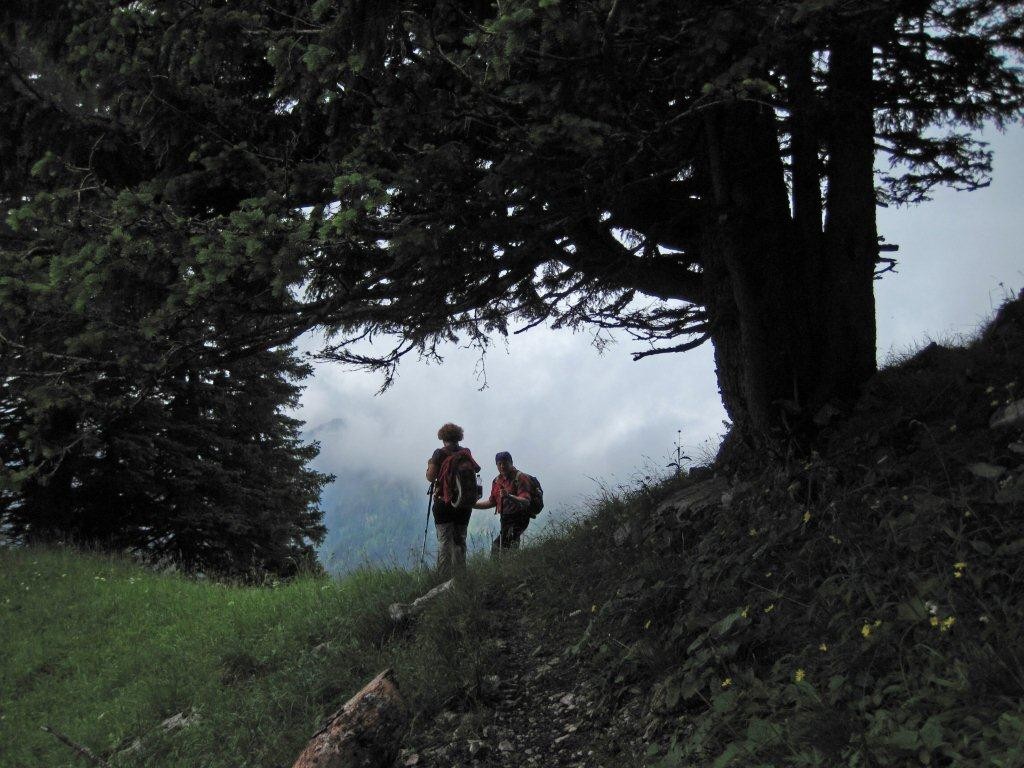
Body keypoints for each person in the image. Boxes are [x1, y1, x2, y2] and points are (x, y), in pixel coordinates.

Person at [425, 423, 480, 578]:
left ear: (443, 438)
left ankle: (443, 579)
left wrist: (430, 464)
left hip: (444, 503)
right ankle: (461, 577)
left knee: (444, 542)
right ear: (458, 437)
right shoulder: (465, 452)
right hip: (463, 503)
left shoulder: (439, 454)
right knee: (460, 540)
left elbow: (430, 476)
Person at [474, 451, 533, 556]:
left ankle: (500, 570)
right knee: (509, 547)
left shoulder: (520, 477)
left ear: (511, 462)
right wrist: (472, 505)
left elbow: (526, 501)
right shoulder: (497, 481)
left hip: (520, 518)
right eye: (499, 463)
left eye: (505, 463)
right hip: (505, 519)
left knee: (498, 547)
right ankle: (511, 567)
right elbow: (492, 502)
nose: (502, 466)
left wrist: (509, 496)